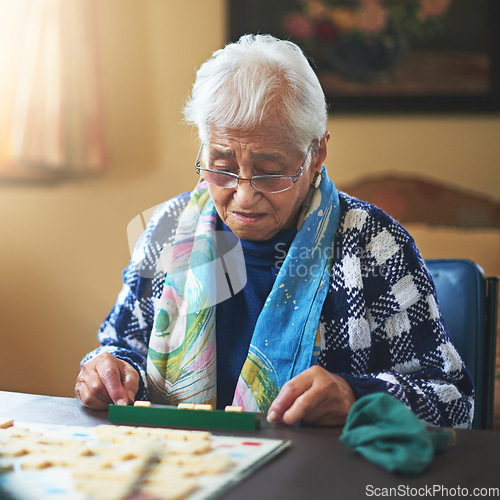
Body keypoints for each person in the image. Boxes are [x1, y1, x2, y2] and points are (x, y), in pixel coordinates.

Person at [75, 34, 474, 428]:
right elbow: (120, 346)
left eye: (269, 172)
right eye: (222, 165)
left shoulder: (373, 245)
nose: (244, 196)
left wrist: (357, 396)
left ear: (316, 154)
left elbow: (454, 399)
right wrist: (110, 371)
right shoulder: (168, 229)